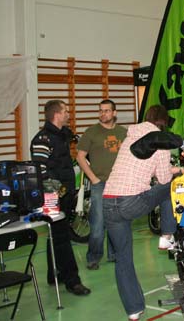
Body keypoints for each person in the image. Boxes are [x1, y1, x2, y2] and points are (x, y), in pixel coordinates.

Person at [102, 105, 184, 321]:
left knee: (123, 259)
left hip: (109, 201)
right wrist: (179, 171)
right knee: (171, 187)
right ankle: (167, 235)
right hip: (131, 201)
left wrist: (171, 170)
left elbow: (143, 167)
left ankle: (134, 310)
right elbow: (163, 179)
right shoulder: (160, 141)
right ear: (163, 122)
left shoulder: (130, 135)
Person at [30, 99, 91, 296]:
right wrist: (58, 192)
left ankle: (54, 273)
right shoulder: (42, 140)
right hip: (53, 197)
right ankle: (73, 281)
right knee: (63, 237)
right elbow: (41, 171)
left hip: (64, 194)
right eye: (65, 111)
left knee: (56, 234)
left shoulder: (62, 135)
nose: (68, 114)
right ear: (56, 114)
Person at [76, 99, 127, 270]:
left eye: (106, 110)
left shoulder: (123, 132)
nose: (103, 113)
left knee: (118, 221)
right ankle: (93, 257)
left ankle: (115, 254)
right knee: (98, 223)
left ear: (114, 113)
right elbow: (80, 157)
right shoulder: (91, 132)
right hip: (100, 184)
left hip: (119, 184)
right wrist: (93, 178)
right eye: (100, 110)